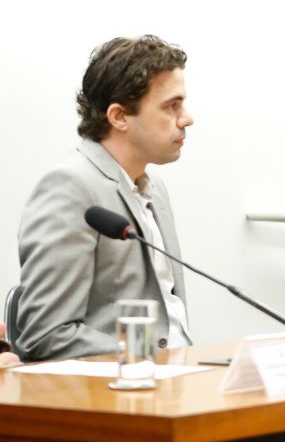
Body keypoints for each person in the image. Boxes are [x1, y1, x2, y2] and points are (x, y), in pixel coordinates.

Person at [17, 35, 194, 361]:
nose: (187, 118)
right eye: (171, 106)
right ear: (119, 117)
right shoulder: (70, 187)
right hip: (124, 383)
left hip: (182, 374)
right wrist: (145, 360)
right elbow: (46, 334)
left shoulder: (155, 187)